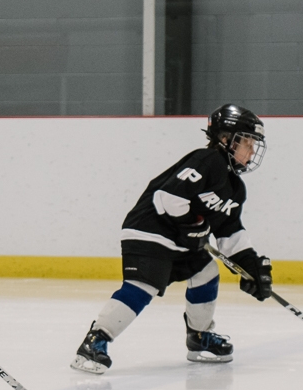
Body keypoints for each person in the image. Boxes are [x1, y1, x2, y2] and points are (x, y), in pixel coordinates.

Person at [70, 104, 274, 373]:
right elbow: (168, 198)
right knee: (144, 285)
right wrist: (194, 224)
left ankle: (199, 337)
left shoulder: (235, 188)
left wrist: (251, 266)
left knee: (206, 272)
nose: (250, 151)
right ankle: (95, 341)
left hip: (180, 243)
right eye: (246, 142)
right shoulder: (207, 160)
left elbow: (230, 231)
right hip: (149, 230)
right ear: (226, 139)